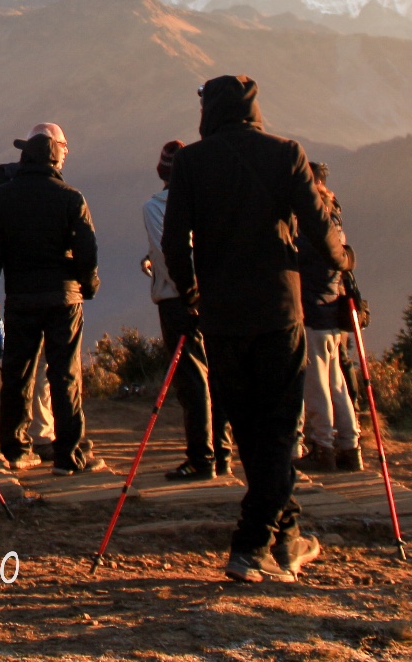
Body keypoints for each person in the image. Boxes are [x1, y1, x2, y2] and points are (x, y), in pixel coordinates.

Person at [162, 75, 347, 582]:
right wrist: (341, 259)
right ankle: (250, 544)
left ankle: (286, 542)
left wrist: (192, 291)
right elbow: (318, 228)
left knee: (249, 431)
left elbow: (175, 239)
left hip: (222, 316)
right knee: (280, 432)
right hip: (278, 311)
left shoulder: (193, 162)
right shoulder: (286, 153)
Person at [0, 123, 103, 475]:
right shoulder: (70, 197)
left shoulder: (2, 198)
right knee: (65, 376)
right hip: (64, 298)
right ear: (54, 157)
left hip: (21, 299)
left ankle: (16, 448)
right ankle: (69, 455)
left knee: (19, 373)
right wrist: (88, 284)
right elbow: (86, 249)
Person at [142, 140, 227, 480]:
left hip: (177, 300)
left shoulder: (155, 207)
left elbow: (170, 252)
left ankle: (200, 458)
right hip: (216, 296)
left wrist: (185, 291)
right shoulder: (211, 201)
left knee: (191, 380)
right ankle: (221, 452)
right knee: (216, 374)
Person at [296, 163, 359, 474]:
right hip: (333, 312)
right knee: (336, 383)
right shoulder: (334, 224)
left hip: (312, 312)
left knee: (316, 383)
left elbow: (299, 265)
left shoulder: (307, 231)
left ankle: (323, 447)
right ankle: (350, 446)